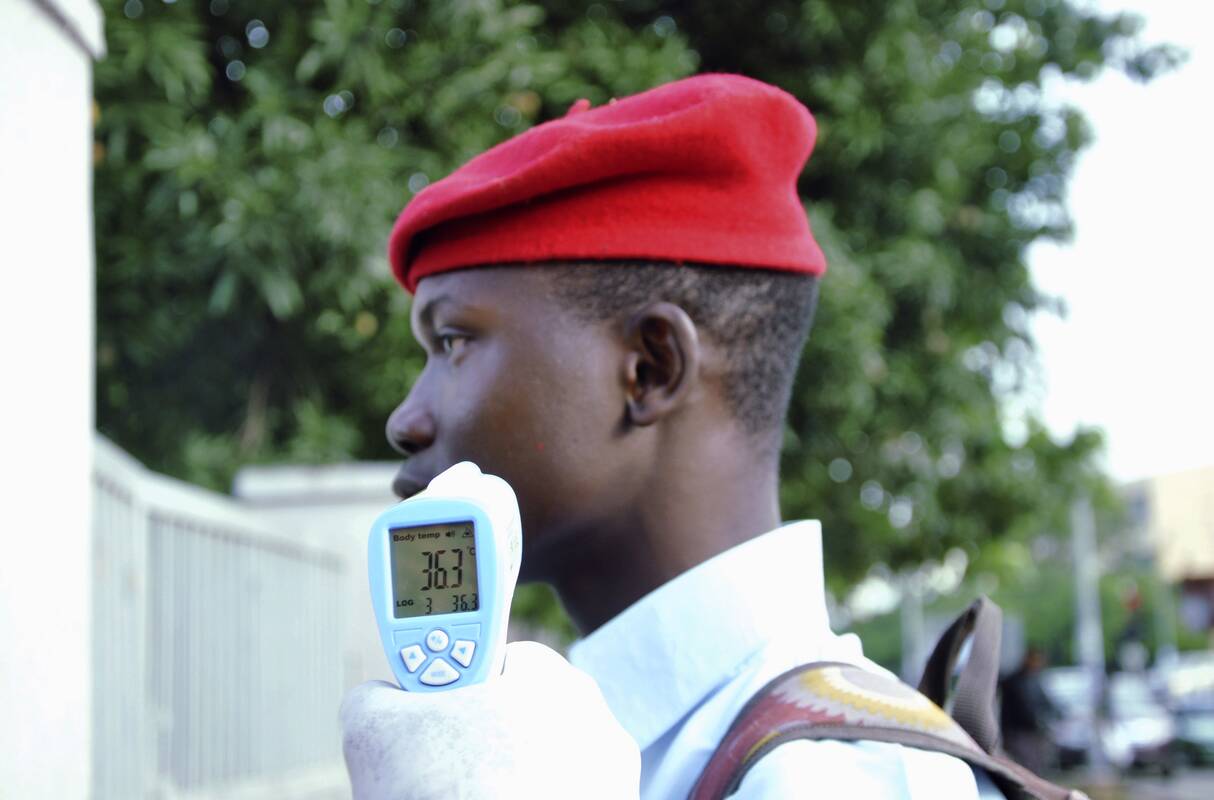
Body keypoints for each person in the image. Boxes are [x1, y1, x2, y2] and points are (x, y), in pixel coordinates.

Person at [340, 74, 1004, 798]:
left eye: (452, 341)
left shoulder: (838, 781)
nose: (405, 419)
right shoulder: (560, 745)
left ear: (650, 368)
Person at [1000, 647, 1060, 775]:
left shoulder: (1034, 680)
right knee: (1026, 766)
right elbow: (1022, 709)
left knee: (1036, 765)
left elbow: (1046, 702)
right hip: (1019, 732)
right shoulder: (1015, 682)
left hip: (1032, 732)